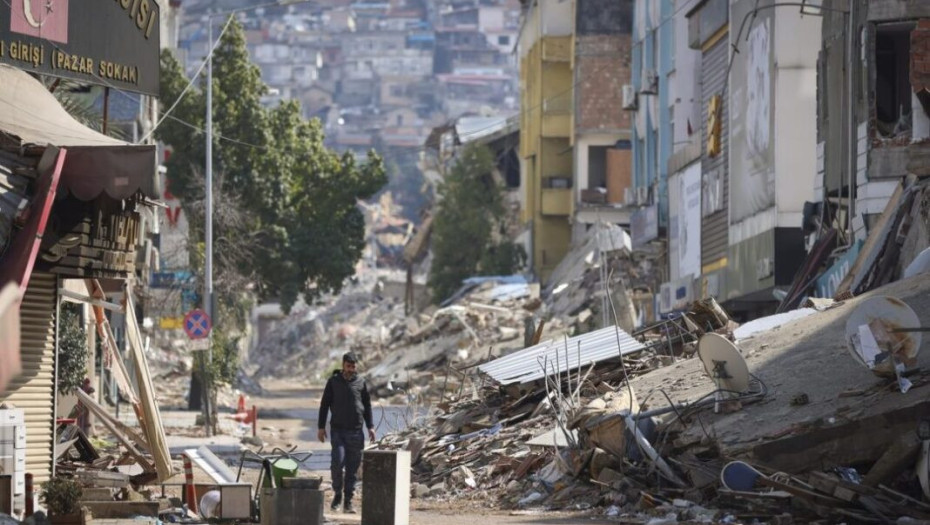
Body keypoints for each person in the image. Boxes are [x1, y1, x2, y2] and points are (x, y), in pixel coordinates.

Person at [317, 352, 376, 514]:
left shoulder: (361, 382)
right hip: (338, 431)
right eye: (348, 366)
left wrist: (370, 426)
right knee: (338, 462)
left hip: (357, 432)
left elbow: (367, 405)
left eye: (353, 367)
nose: (351, 369)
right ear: (343, 365)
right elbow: (324, 405)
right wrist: (321, 427)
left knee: (353, 468)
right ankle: (337, 494)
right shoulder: (333, 382)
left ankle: (348, 501)